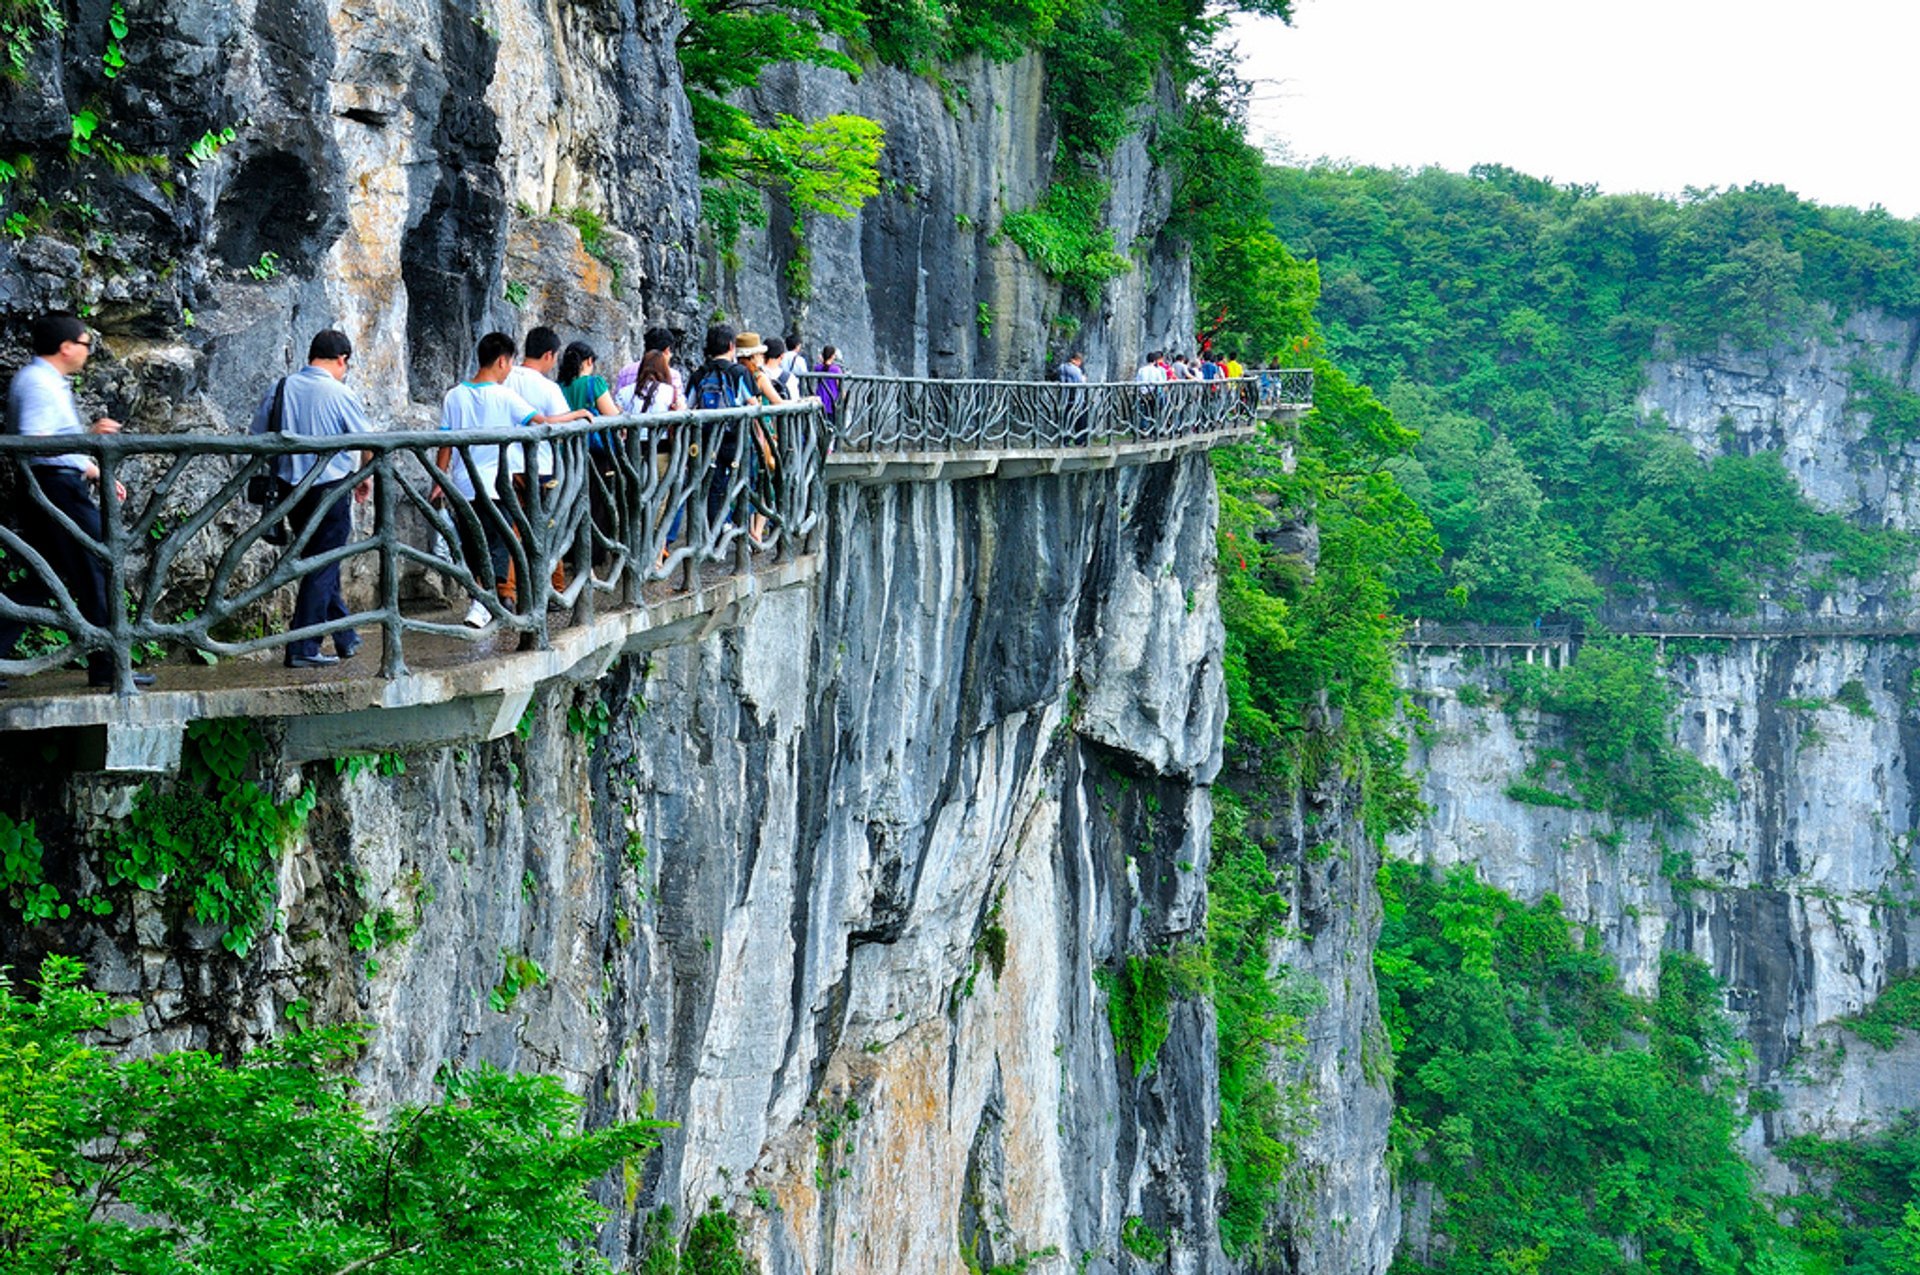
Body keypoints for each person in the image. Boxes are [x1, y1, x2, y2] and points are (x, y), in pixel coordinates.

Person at [2, 313, 148, 690]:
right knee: (99, 568)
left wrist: (89, 466)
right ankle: (109, 668)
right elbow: (37, 444)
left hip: (54, 487)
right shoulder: (37, 382)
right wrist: (90, 440)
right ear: (66, 347)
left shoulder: (46, 381)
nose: (87, 351)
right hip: (56, 491)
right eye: (85, 343)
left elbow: (51, 442)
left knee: (44, 580)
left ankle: (106, 665)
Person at [434, 333, 586, 627]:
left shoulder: (454, 395)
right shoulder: (505, 396)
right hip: (497, 486)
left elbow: (445, 442)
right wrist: (578, 414)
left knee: (475, 546)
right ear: (502, 360)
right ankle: (484, 605)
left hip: (464, 485)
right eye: (509, 363)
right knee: (498, 546)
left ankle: (483, 603)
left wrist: (439, 480)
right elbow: (543, 423)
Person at [248, 330, 373, 668]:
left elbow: (258, 434)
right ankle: (303, 646)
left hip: (290, 490)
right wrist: (366, 477)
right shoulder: (340, 392)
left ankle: (345, 636)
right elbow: (369, 440)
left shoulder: (280, 387)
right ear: (342, 359)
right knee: (323, 564)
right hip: (329, 489)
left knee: (318, 561)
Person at [684, 325, 756, 527]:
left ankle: (717, 535)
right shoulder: (739, 372)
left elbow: (688, 406)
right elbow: (753, 404)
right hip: (737, 439)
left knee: (713, 488)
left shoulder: (699, 374)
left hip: (708, 439)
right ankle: (739, 534)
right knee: (743, 484)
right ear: (732, 346)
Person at [814, 345, 843, 423]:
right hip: (832, 399)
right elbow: (839, 385)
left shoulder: (817, 368)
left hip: (820, 398)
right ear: (833, 356)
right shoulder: (836, 369)